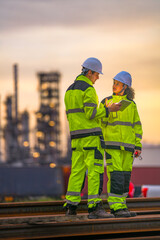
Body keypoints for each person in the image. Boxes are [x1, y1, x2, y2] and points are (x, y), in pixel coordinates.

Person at [63, 57, 121, 219]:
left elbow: (74, 116)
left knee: (77, 171)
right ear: (89, 72)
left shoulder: (69, 90)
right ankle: (94, 208)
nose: (98, 78)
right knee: (95, 171)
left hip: (76, 139)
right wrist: (109, 109)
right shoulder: (88, 89)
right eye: (96, 74)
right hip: (91, 138)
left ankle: (71, 206)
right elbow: (91, 114)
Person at [100, 71, 143, 217]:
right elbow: (100, 122)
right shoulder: (106, 102)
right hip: (112, 146)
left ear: (125, 87)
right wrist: (108, 111)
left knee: (125, 176)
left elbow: (136, 126)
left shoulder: (131, 105)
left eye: (117, 83)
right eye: (114, 83)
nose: (114, 86)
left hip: (128, 147)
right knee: (116, 175)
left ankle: (122, 205)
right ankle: (116, 207)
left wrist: (137, 146)